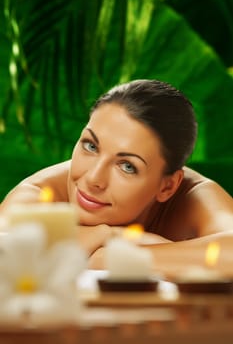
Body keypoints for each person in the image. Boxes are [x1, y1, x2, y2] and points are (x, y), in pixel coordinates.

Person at [1, 79, 233, 275]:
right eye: (91, 146)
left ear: (167, 186)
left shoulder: (193, 196)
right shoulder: (41, 190)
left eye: (127, 166)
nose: (94, 178)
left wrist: (109, 259)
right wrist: (108, 234)